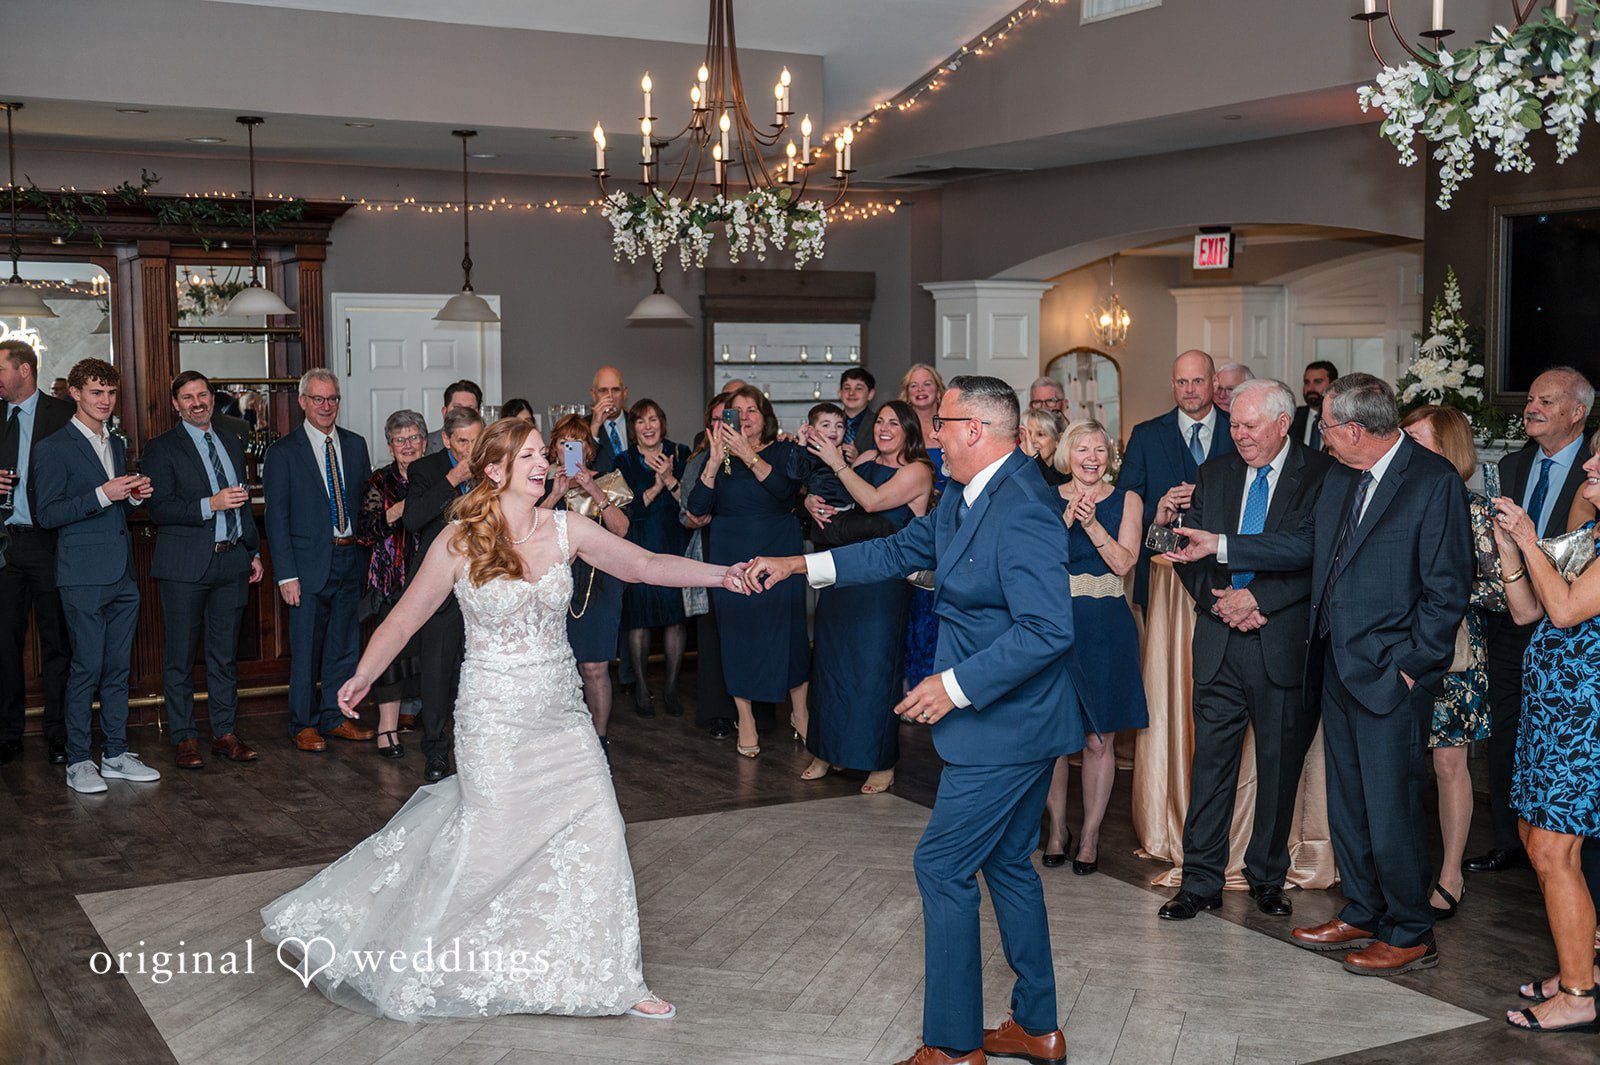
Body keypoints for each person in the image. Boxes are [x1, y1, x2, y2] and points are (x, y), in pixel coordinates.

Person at [262, 417, 753, 1023]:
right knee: (490, 845)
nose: (543, 464)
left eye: (543, 454)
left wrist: (723, 575)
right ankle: (427, 959)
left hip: (562, 718)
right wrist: (364, 674)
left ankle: (612, 978)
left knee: (600, 829)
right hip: (493, 719)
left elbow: (647, 565)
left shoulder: (567, 527)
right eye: (529, 456)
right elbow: (406, 617)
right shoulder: (459, 540)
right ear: (494, 470)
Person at [746, 375, 1082, 1065]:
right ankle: (1037, 1024)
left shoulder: (1024, 506)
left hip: (1007, 725)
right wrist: (798, 563)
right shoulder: (964, 492)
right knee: (1006, 864)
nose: (933, 436)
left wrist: (953, 686)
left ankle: (953, 1047)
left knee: (941, 865)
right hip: (1012, 723)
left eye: (942, 425)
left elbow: (1048, 629)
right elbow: (898, 550)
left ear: (974, 430)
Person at [1167, 373, 1472, 976]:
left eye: (1327, 427)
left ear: (1354, 429)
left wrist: (1411, 670)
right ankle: (1362, 911)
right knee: (1349, 804)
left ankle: (1410, 931)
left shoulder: (1432, 482)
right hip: (1335, 666)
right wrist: (1221, 545)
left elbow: (1447, 591)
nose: (1321, 437)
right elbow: (1302, 547)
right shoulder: (1341, 475)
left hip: (1391, 674)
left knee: (1392, 807)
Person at [1160, 380, 1333, 920]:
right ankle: (1199, 881)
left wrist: (1257, 600)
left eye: (1250, 425)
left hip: (1281, 644)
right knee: (1210, 769)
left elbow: (1315, 556)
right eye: (1233, 424)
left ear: (1283, 423)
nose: (1239, 435)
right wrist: (1222, 606)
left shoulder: (1322, 474)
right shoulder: (1215, 473)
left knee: (1279, 771)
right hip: (1220, 643)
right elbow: (1190, 553)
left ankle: (1266, 878)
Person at [1490, 441, 1600, 1035]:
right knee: (1535, 839)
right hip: (1552, 714)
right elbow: (1527, 611)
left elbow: (1564, 611)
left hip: (1585, 721)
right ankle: (1582, 968)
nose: (1589, 466)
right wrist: (1512, 550)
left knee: (1556, 851)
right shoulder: (1591, 534)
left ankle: (1580, 996)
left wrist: (1530, 537)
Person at [1469, 366, 1594, 874]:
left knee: (1560, 743)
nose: (1532, 408)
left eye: (1546, 401)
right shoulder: (1514, 464)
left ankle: (1566, 847)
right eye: (1530, 400)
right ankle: (1511, 839)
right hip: (1514, 618)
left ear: (1578, 412)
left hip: (1577, 630)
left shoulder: (1592, 470)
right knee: (1508, 729)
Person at [34, 358, 158, 794]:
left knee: (119, 669)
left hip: (122, 573)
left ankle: (116, 754)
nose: (105, 401)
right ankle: (79, 760)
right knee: (86, 668)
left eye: (110, 392)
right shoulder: (53, 447)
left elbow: (113, 509)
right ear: (75, 393)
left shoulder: (116, 443)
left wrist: (133, 497)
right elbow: (47, 513)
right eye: (95, 392)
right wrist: (102, 494)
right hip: (82, 576)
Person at [1400, 406, 1505, 919]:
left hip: (1455, 654)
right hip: (1398, 648)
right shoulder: (1395, 498)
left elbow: (1500, 591)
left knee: (1447, 763)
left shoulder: (1475, 510)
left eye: (1417, 440)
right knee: (1397, 761)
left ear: (1448, 449)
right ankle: (1399, 868)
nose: (1405, 448)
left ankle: (1450, 874)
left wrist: (1442, 588)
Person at [800, 400, 934, 794]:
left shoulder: (918, 471)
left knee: (874, 671)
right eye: (880, 422)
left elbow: (871, 501)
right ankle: (826, 751)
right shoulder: (866, 458)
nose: (884, 428)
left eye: (894, 423)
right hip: (844, 572)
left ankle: (879, 761)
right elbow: (833, 492)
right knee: (831, 665)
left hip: (883, 583)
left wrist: (838, 464)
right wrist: (809, 499)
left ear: (909, 430)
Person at [142, 370, 264, 770]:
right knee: (180, 657)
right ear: (175, 405)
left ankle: (225, 733)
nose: (197, 403)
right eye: (188, 397)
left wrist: (252, 551)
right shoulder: (161, 448)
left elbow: (243, 502)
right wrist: (209, 504)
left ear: (213, 397)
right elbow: (159, 509)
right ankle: (184, 738)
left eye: (203, 395)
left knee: (224, 656)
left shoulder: (231, 439)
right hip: (184, 566)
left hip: (232, 561)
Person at [1042, 419, 1148, 875]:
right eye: (1082, 449)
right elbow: (1033, 562)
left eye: (1099, 450)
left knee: (1097, 737)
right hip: (1054, 625)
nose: (1091, 458)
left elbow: (1125, 563)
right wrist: (1065, 522)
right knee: (1054, 736)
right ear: (1067, 454)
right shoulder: (1045, 497)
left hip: (1106, 626)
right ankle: (1056, 830)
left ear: (1110, 456)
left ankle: (1089, 835)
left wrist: (1091, 526)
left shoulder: (1128, 500)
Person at [686, 385, 810, 756]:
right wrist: (713, 463)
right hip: (731, 551)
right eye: (735, 411)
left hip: (780, 549)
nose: (744, 417)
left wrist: (748, 455)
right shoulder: (716, 457)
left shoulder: (783, 450)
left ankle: (800, 713)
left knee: (789, 632)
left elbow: (785, 493)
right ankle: (746, 718)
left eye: (751, 409)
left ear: (764, 416)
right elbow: (697, 508)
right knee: (737, 635)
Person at [263, 368, 375, 752]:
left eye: (332, 399)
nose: (326, 406)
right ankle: (303, 723)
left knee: (344, 646)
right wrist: (286, 576)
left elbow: (366, 506)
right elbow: (276, 519)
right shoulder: (283, 452)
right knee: (307, 650)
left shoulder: (356, 445)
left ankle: (334, 716)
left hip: (350, 559)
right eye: (318, 399)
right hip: (306, 567)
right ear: (302, 402)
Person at [0, 339, 74, 765]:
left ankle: (58, 732)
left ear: (24, 370)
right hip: (4, 545)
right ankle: (7, 733)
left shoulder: (63, 415)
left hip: (50, 543)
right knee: (3, 643)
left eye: (1, 370)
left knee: (57, 642)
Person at [402, 406, 484, 780]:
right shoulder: (426, 469)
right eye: (463, 441)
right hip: (441, 588)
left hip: (483, 584)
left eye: (477, 440)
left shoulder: (492, 467)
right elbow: (413, 519)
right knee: (436, 671)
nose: (471, 450)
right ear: (447, 439)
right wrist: (453, 478)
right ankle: (436, 751)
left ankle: (478, 748)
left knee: (477, 669)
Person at [1120, 349, 1236, 608]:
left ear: (1215, 382)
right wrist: (1157, 513)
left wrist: (1207, 495)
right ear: (1172, 384)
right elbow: (1125, 501)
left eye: (1198, 381)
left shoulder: (1238, 431)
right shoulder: (1146, 436)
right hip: (1163, 570)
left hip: (1226, 573)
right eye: (1182, 382)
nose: (1189, 390)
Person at [544, 414, 631, 752]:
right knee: (556, 667)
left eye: (577, 442)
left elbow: (621, 530)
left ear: (589, 449)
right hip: (554, 582)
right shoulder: (541, 484)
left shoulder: (610, 480)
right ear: (554, 448)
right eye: (564, 442)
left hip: (600, 581)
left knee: (594, 666)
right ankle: (561, 741)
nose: (570, 448)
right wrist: (555, 494)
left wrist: (593, 489)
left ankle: (599, 741)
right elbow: (526, 530)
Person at [355, 409, 429, 757]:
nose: (408, 445)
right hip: (391, 580)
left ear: (425, 442)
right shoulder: (379, 481)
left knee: (434, 654)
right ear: (390, 446)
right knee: (391, 655)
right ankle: (387, 730)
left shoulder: (436, 476)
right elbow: (365, 532)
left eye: (413, 437)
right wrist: (399, 509)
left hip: (431, 578)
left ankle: (435, 727)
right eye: (400, 440)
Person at [614, 399, 690, 717]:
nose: (648, 426)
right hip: (639, 546)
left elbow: (692, 503)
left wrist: (670, 480)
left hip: (674, 544)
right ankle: (642, 689)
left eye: (653, 419)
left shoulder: (680, 453)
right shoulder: (623, 461)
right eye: (641, 421)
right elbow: (626, 510)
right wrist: (656, 486)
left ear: (663, 423)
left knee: (675, 617)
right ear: (633, 428)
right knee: (639, 619)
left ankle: (671, 688)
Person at [681, 394, 741, 740]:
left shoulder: (754, 458)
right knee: (714, 635)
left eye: (729, 418)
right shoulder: (698, 462)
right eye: (717, 419)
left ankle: (755, 712)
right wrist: (696, 517)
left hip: (749, 552)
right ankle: (718, 713)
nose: (723, 425)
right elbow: (686, 515)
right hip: (711, 553)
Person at [899, 363, 948, 687]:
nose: (920, 390)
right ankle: (913, 685)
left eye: (926, 383)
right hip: (913, 525)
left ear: (937, 389)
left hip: (951, 525)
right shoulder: (899, 428)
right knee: (914, 609)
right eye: (914, 385)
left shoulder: (949, 424)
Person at [1290, 360, 1339, 451]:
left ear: (1333, 385)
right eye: (1307, 382)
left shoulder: (1343, 419)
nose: (1310, 388)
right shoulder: (1293, 417)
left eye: (1317, 382)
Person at [424, 379, 482, 454]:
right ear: (444, 412)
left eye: (469, 409)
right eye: (457, 408)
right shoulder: (426, 443)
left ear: (479, 414)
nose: (463, 414)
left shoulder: (490, 443)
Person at [589, 365, 629, 474]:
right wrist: (594, 428)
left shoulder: (638, 423)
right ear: (593, 395)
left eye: (615, 390)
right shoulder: (581, 427)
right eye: (603, 391)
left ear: (624, 393)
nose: (610, 397)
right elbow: (577, 467)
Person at [1019, 408, 1067, 487]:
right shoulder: (1015, 470)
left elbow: (1053, 490)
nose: (1032, 440)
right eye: (1027, 434)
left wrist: (1035, 457)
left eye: (1040, 434)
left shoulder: (1067, 475)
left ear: (1058, 441)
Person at [839, 367, 877, 458]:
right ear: (840, 393)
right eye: (847, 388)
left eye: (858, 388)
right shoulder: (826, 421)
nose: (851, 393)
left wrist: (858, 460)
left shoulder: (879, 425)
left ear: (870, 394)